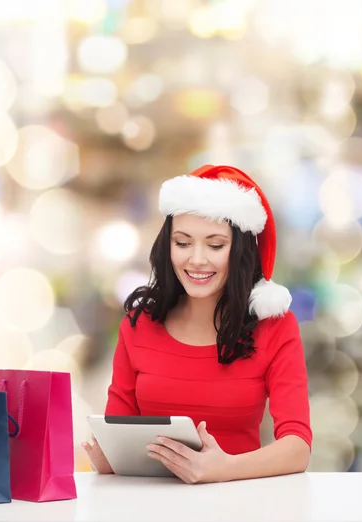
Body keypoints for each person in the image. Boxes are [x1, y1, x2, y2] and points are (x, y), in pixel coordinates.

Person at [82, 165, 312, 483]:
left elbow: (297, 448)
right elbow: (118, 431)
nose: (197, 259)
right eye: (183, 242)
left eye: (215, 245)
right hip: (146, 506)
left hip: (238, 503)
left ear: (239, 251)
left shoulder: (275, 327)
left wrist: (221, 469)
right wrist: (108, 459)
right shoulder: (139, 325)